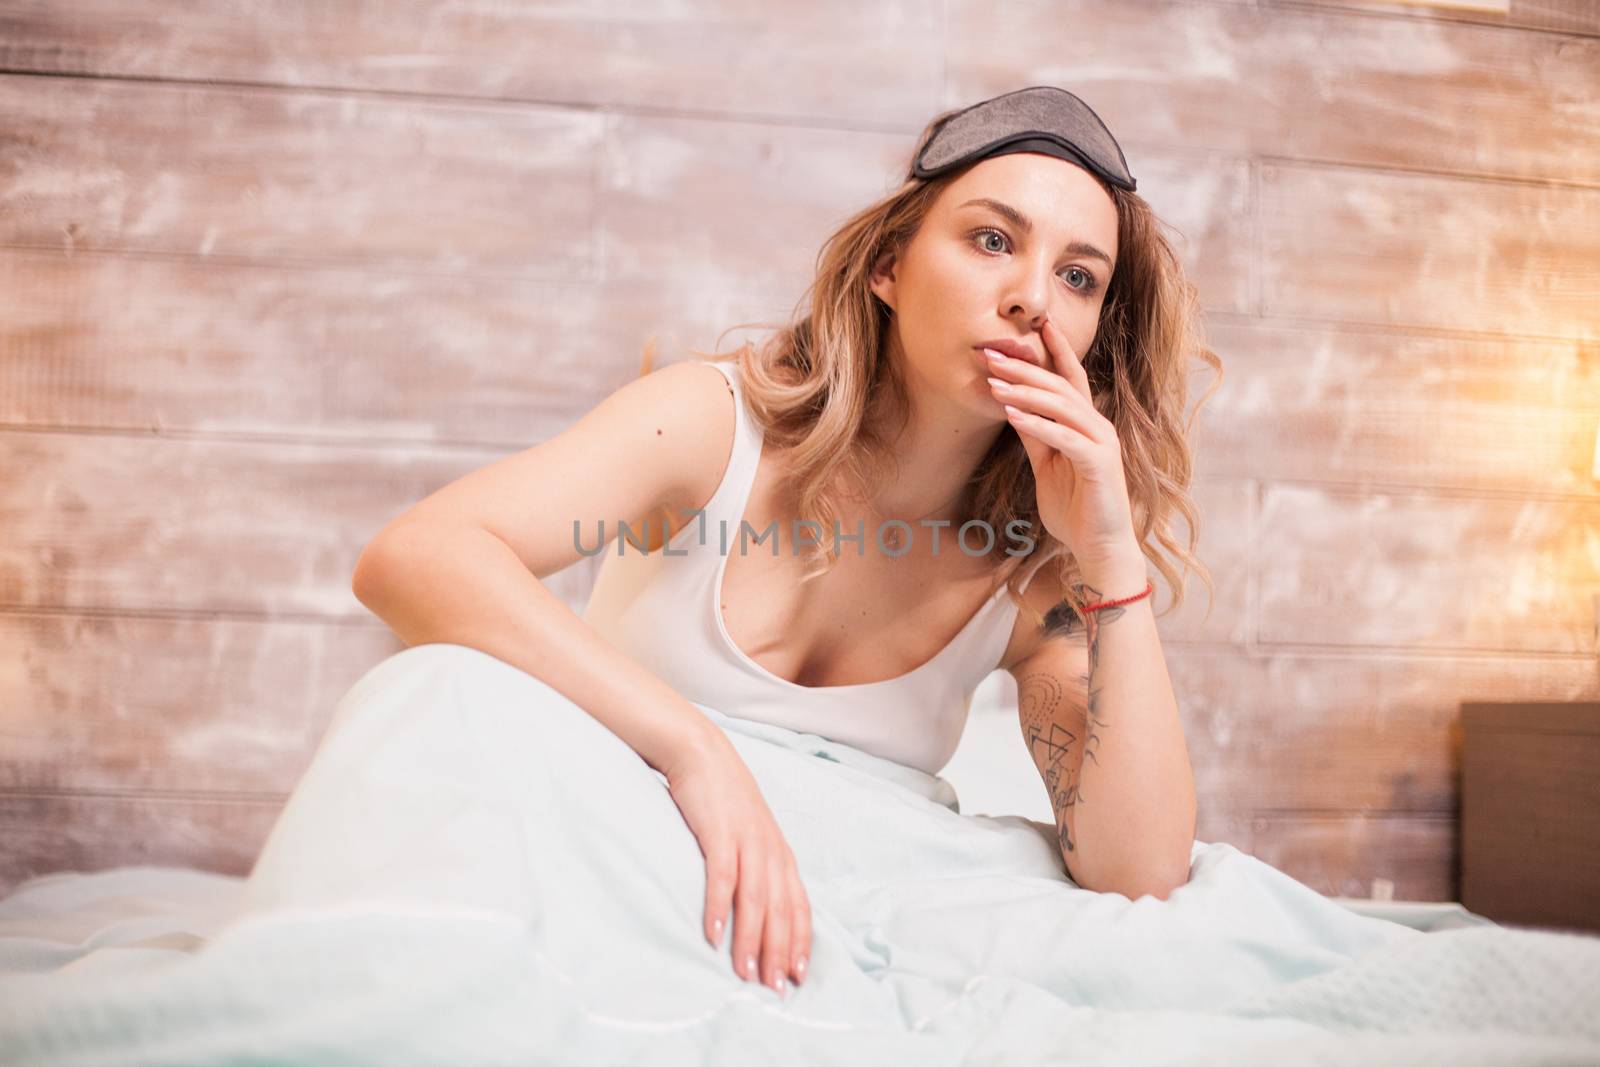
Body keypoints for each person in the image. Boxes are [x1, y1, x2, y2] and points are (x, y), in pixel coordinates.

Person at [349, 86, 1222, 1003]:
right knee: (434, 692)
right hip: (616, 856)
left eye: (1079, 277)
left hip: (824, 921)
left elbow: (1139, 873)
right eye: (992, 240)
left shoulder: (1032, 574)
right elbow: (415, 555)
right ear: (890, 264)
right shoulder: (711, 423)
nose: (1031, 298)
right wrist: (692, 750)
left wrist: (1112, 556)